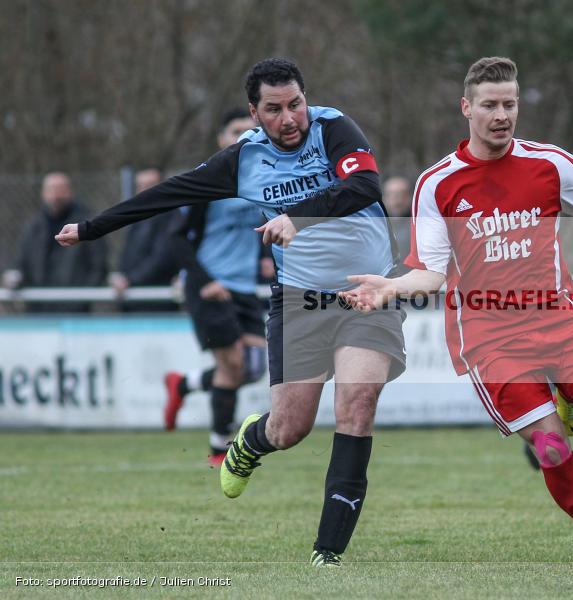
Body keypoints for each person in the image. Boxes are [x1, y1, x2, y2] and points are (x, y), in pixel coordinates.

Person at [339, 57, 573, 567]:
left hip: (558, 320)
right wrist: (390, 288)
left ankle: (570, 403)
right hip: (490, 340)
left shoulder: (550, 164)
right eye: (490, 105)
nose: (502, 115)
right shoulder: (438, 184)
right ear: (467, 108)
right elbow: (431, 273)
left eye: (510, 104)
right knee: (550, 447)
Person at [55, 58, 405, 567]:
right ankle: (250, 441)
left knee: (357, 404)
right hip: (301, 300)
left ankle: (327, 554)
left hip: (366, 292)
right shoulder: (242, 160)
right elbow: (166, 195)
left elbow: (365, 187)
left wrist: (297, 217)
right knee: (290, 429)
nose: (290, 118)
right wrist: (92, 228)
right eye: (274, 109)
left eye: (295, 104)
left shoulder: (333, 128)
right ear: (254, 113)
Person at [162, 108, 270, 466]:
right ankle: (219, 445)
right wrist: (204, 280)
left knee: (253, 366)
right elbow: (176, 240)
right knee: (234, 364)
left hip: (243, 287)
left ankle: (184, 384)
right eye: (236, 131)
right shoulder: (205, 184)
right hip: (210, 286)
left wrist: (265, 256)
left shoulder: (261, 180)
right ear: (221, 140)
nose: (243, 137)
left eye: (249, 130)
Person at [3, 172, 107, 312]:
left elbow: (98, 266)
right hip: (38, 308)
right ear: (43, 193)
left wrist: (81, 299)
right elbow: (23, 262)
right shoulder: (34, 227)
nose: (56, 196)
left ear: (70, 192)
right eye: (52, 189)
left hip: (75, 310)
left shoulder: (86, 226)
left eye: (61, 189)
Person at [110, 167, 181, 312]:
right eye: (141, 186)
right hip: (131, 299)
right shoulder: (136, 217)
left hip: (158, 300)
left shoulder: (171, 216)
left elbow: (163, 256)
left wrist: (130, 279)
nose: (144, 190)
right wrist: (121, 276)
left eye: (150, 185)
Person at [382, 176, 413, 270]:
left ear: (410, 197)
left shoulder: (423, 227)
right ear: (384, 198)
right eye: (392, 195)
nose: (397, 201)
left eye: (402, 195)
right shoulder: (374, 229)